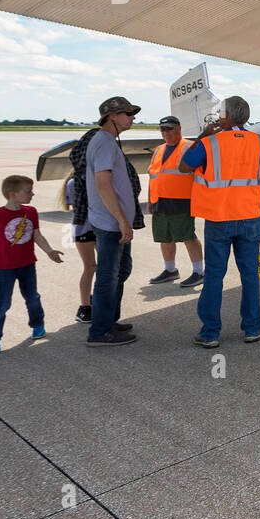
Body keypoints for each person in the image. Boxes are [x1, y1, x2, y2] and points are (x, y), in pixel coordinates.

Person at [179, 96, 260, 347]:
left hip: (219, 220)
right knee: (250, 275)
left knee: (214, 276)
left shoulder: (209, 143)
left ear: (226, 116)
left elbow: (184, 166)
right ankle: (253, 328)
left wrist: (202, 135)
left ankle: (210, 333)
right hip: (250, 218)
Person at [85, 96, 145, 347]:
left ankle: (108, 320)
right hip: (111, 224)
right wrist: (122, 220)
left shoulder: (107, 141)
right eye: (128, 113)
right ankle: (100, 331)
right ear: (112, 117)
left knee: (120, 271)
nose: (132, 117)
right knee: (108, 277)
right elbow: (103, 184)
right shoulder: (104, 143)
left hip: (112, 222)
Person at [0, 175, 64, 354]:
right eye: (28, 191)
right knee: (2, 303)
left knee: (32, 297)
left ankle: (37, 325)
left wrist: (49, 251)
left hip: (27, 264)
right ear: (13, 194)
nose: (32, 194)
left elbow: (37, 235)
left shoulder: (31, 212)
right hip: (5, 267)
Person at [146, 115, 204, 287]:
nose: (166, 132)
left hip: (182, 201)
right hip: (160, 200)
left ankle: (199, 272)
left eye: (169, 128)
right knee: (165, 237)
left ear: (178, 128)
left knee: (188, 237)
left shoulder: (189, 147)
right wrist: (150, 199)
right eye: (162, 129)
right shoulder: (158, 150)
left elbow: (200, 175)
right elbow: (153, 176)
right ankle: (170, 270)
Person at [62, 175, 96, 323]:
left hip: (102, 227)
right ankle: (84, 307)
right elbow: (79, 209)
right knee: (90, 267)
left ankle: (95, 297)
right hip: (84, 229)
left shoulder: (101, 176)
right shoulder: (74, 182)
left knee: (107, 267)